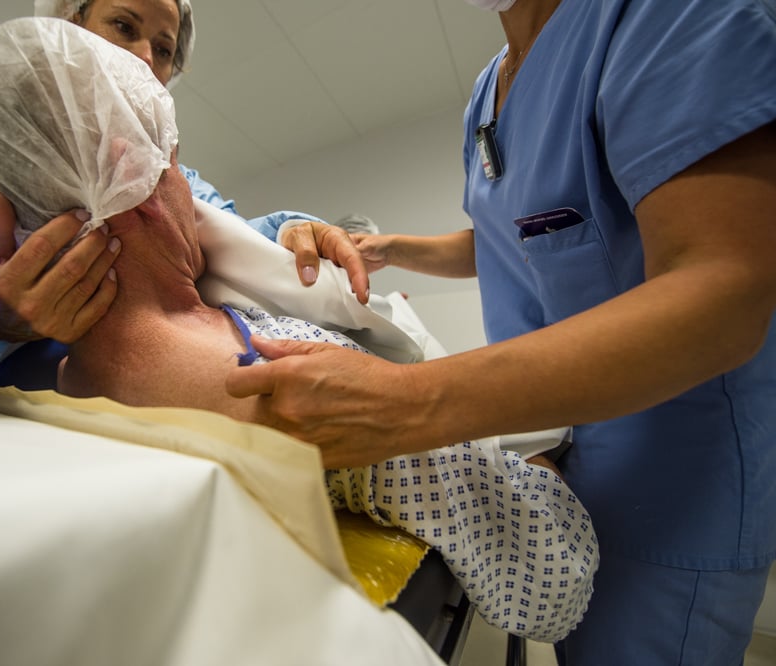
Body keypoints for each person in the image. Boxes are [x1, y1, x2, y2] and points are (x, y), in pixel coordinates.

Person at [0, 16, 598, 642]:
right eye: (175, 163)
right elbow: (554, 582)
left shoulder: (72, 382)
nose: (191, 191)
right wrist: (534, 458)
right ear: (126, 163)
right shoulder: (286, 379)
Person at [225, 0, 776, 664]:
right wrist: (395, 247)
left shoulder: (663, 16)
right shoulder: (488, 96)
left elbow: (727, 285)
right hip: (557, 446)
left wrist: (410, 402)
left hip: (676, 467)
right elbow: (523, 234)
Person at [0, 0, 366, 391]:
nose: (145, 58)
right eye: (124, 25)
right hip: (34, 391)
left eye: (164, 49)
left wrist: (293, 230)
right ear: (69, 22)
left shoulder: (174, 171)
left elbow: (227, 233)